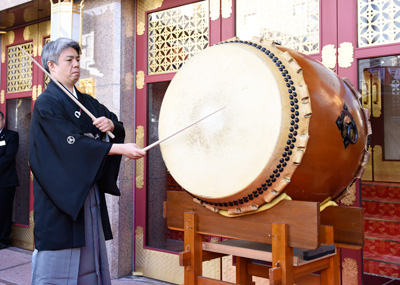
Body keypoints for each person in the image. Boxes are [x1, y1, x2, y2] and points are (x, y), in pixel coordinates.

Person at [29, 37, 146, 284]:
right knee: (58, 257)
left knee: (89, 253)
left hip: (87, 191)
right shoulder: (46, 103)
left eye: (78, 59)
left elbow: (114, 122)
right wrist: (117, 148)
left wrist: (111, 124)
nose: (76, 65)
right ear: (51, 66)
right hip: (59, 196)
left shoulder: (86, 101)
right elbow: (68, 143)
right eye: (69, 60)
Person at [0, 111, 19, 250]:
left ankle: (4, 239)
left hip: (5, 181)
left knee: (4, 211)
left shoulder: (11, 136)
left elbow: (8, 157)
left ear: (3, 120)